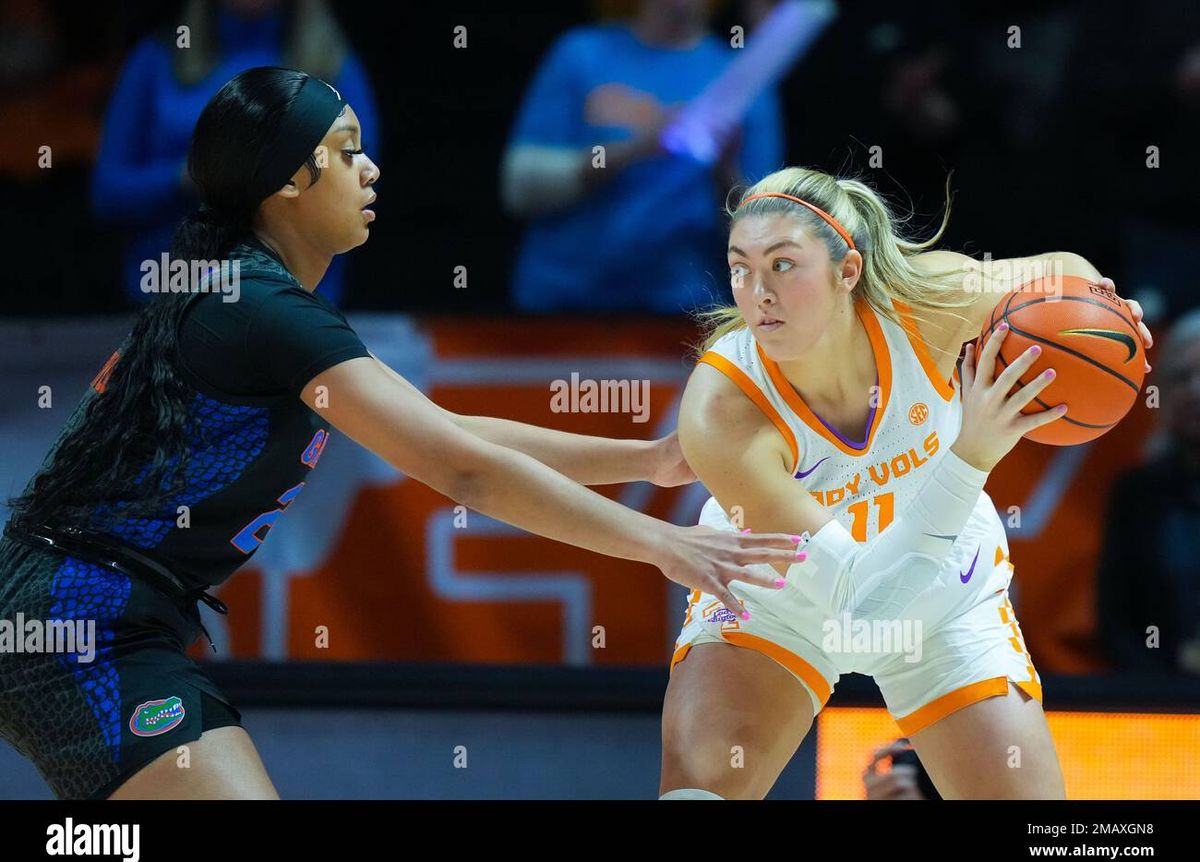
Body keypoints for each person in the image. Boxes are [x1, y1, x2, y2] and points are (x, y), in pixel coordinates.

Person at [0, 66, 803, 801]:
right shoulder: (263, 310)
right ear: (287, 180)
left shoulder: (253, 298)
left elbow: (449, 432)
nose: (372, 168)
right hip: (81, 624)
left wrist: (652, 461)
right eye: (347, 152)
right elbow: (466, 473)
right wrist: (666, 547)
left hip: (104, 620)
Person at [659, 166, 1155, 800]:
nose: (757, 292)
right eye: (740, 267)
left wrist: (1105, 314)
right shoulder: (722, 404)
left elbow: (1065, 269)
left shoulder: (931, 302)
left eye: (783, 265)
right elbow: (860, 607)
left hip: (945, 599)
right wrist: (971, 455)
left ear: (847, 271)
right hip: (777, 602)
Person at [90, 0, 378, 308]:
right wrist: (188, 178)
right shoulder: (157, 59)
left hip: (294, 308)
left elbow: (359, 192)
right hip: (168, 302)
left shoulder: (334, 67)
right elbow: (107, 193)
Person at [500, 0, 783, 313]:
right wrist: (637, 148)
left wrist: (723, 167)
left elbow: (762, 235)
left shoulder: (742, 82)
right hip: (561, 303)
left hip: (681, 312)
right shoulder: (581, 54)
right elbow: (520, 189)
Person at [1096, 307, 1200, 675]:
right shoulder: (1135, 494)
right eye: (1181, 377)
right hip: (1159, 705)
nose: (1195, 391)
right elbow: (1114, 625)